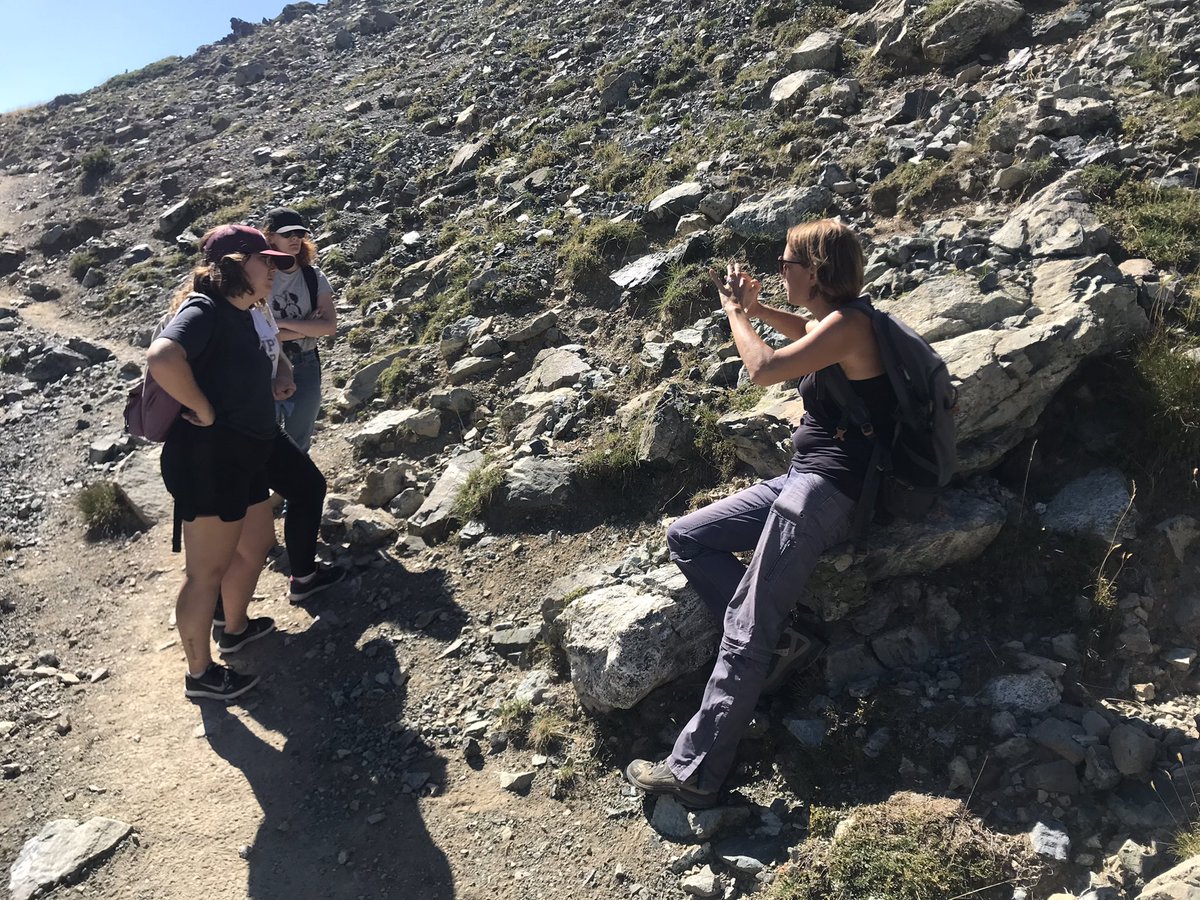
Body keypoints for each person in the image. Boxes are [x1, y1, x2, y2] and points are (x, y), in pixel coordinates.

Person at [624, 219, 895, 807]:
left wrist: (736, 315)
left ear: (817, 272)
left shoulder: (851, 326)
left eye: (787, 263)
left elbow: (766, 369)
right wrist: (762, 307)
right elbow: (807, 333)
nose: (780, 270)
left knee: (747, 624)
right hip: (802, 480)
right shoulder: (845, 321)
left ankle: (696, 770)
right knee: (688, 536)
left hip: (825, 495)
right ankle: (782, 644)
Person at [148, 224, 295, 701]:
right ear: (234, 263)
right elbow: (163, 356)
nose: (273, 269)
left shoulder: (242, 311)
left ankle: (234, 628)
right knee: (204, 573)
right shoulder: (205, 308)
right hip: (209, 463)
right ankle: (201, 676)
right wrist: (205, 409)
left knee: (256, 544)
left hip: (242, 456)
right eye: (265, 260)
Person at [262, 207, 337, 453]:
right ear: (270, 237)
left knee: (298, 444)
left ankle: (291, 492)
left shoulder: (313, 276)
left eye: (299, 233)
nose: (295, 238)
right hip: (266, 365)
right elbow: (261, 333)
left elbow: (328, 326)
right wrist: (307, 327)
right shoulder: (261, 277)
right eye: (287, 234)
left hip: (306, 364)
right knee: (263, 441)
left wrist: (281, 325)